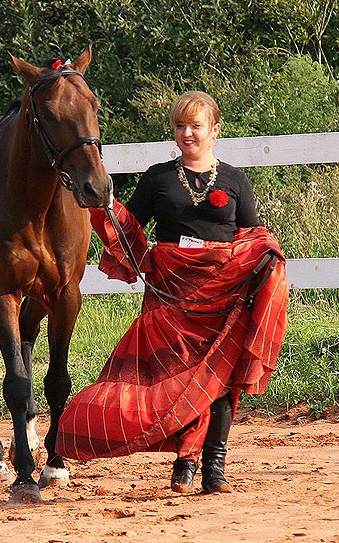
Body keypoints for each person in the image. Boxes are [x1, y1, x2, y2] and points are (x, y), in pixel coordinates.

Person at [56, 91, 289, 495]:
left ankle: (213, 468)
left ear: (215, 130)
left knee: (218, 379)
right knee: (172, 376)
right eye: (180, 126)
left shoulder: (234, 179)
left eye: (195, 126)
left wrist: (267, 260)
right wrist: (107, 204)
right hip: (169, 292)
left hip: (222, 292)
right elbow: (132, 227)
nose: (187, 133)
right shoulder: (158, 177)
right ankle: (184, 462)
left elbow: (254, 234)